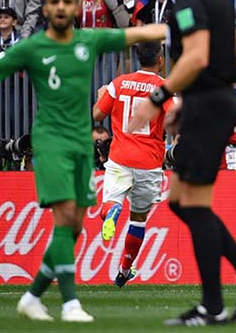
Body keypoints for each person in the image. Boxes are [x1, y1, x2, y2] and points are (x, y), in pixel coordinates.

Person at [0, 0, 168, 323]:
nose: (60, 7)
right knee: (66, 216)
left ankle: (32, 296)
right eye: (54, 2)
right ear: (46, 10)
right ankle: (71, 304)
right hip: (51, 144)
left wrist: (180, 17)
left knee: (73, 227)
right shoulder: (32, 47)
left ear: (74, 9)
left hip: (80, 147)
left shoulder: (89, 40)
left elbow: (136, 34)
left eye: (66, 2)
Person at [128, 0, 236, 325]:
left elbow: (195, 55)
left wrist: (158, 99)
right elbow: (235, 57)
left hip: (209, 104)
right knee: (180, 200)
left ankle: (219, 297)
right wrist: (185, 103)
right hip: (208, 100)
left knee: (190, 203)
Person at [92, 41, 167, 287]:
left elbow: (97, 116)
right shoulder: (162, 88)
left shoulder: (119, 83)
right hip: (148, 162)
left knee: (111, 202)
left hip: (120, 158)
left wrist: (102, 96)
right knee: (138, 220)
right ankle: (125, 269)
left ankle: (112, 211)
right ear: (160, 60)